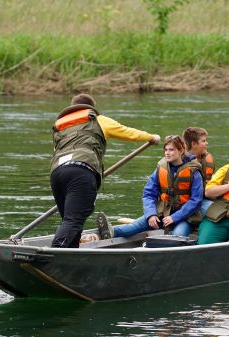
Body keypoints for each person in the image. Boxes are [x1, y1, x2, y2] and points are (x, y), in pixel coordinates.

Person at [49, 93, 160, 248]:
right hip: (81, 170)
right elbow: (126, 132)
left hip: (57, 173)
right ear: (91, 107)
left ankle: (71, 252)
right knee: (74, 220)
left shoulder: (59, 126)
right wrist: (150, 137)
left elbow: (57, 150)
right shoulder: (96, 119)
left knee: (70, 219)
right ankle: (57, 252)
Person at [112, 135, 204, 238]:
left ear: (181, 151)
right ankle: (108, 233)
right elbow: (148, 194)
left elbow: (196, 200)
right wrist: (151, 214)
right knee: (133, 227)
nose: (167, 153)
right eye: (165, 150)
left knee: (178, 236)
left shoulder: (194, 172)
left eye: (171, 150)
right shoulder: (161, 169)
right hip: (162, 214)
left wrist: (174, 217)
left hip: (186, 217)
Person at [182, 127, 215, 216]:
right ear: (193, 144)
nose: (206, 143)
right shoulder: (179, 160)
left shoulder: (206, 159)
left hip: (201, 199)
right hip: (185, 202)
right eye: (203, 141)